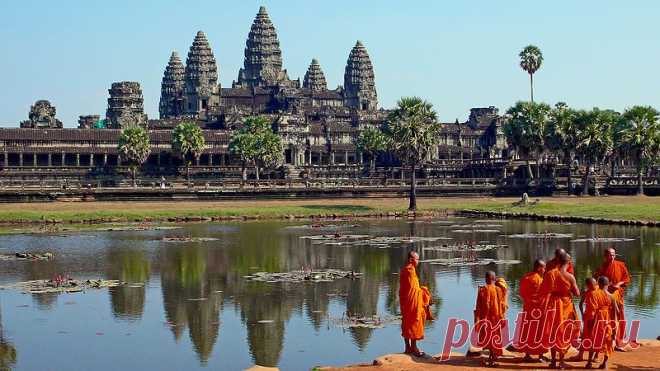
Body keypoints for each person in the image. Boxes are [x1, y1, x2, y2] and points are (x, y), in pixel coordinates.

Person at [539, 252, 580, 369]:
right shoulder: (570, 276)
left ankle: (553, 361)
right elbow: (577, 293)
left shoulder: (550, 273)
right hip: (566, 305)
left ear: (557, 261)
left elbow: (543, 291)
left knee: (553, 331)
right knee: (564, 332)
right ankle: (561, 361)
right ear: (569, 262)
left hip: (553, 305)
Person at [594, 247, 630, 350]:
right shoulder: (601, 267)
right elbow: (596, 280)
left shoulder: (621, 265)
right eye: (610, 255)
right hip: (605, 296)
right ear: (605, 256)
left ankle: (619, 340)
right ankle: (606, 340)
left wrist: (619, 284)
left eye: (614, 254)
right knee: (607, 318)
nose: (612, 257)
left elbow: (626, 278)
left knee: (619, 316)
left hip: (617, 293)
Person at [399, 251, 432, 357]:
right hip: (411, 302)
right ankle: (413, 347)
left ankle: (407, 347)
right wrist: (424, 292)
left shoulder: (406, 270)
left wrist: (421, 291)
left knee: (407, 322)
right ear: (411, 260)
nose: (418, 261)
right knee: (414, 321)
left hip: (406, 301)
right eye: (417, 259)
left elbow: (410, 288)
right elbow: (413, 289)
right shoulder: (410, 271)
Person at [582, 276, 618, 369]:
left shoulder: (594, 294)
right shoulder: (612, 296)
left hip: (597, 320)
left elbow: (592, 310)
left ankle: (589, 363)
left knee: (594, 340)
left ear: (599, 284)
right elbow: (615, 313)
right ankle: (604, 363)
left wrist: (590, 322)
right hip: (607, 321)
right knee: (608, 341)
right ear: (608, 284)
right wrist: (614, 327)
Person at [474, 271, 508, 367]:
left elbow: (479, 306)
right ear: (494, 278)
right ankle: (492, 359)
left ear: (486, 279)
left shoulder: (482, 290)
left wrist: (479, 318)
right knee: (494, 338)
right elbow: (502, 304)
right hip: (495, 317)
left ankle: (491, 357)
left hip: (485, 318)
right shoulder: (498, 290)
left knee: (488, 338)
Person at [518, 259, 546, 362]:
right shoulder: (539, 280)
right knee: (539, 331)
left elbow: (521, 293)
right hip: (538, 309)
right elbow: (544, 295)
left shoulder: (526, 277)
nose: (544, 270)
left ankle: (527, 355)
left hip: (527, 308)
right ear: (539, 268)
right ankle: (540, 355)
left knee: (527, 331)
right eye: (544, 268)